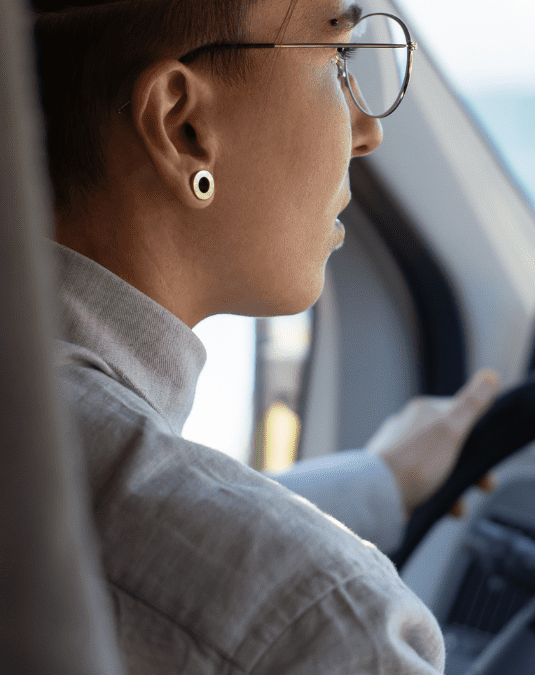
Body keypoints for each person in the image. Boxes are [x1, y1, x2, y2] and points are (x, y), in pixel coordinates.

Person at [34, 0, 498, 672]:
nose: (367, 131)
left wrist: (381, 480)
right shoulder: (333, 630)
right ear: (182, 126)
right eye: (339, 58)